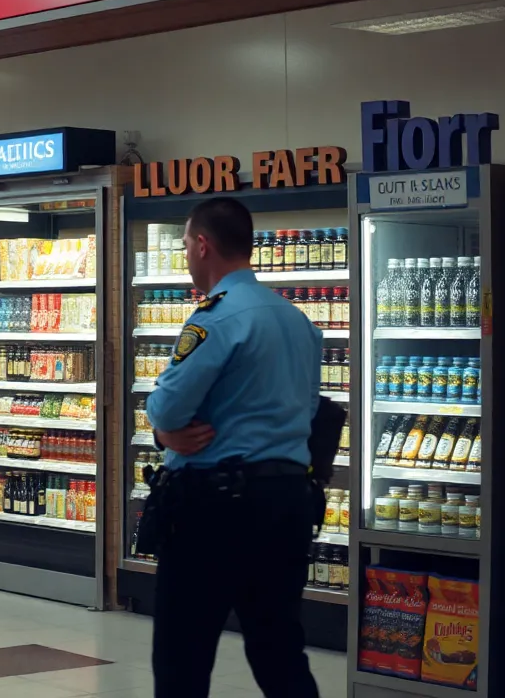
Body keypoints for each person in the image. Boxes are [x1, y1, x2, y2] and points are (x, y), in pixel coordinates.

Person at [145, 197, 321, 698]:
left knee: (183, 654)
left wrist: (163, 434)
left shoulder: (215, 319)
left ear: (203, 245)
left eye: (184, 245)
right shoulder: (297, 321)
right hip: (288, 504)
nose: (186, 254)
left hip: (214, 510)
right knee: (280, 650)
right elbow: (308, 411)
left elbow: (167, 409)